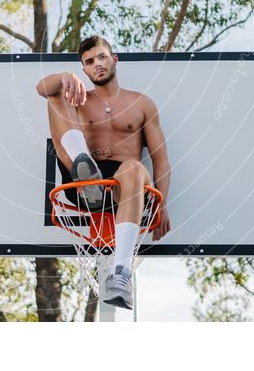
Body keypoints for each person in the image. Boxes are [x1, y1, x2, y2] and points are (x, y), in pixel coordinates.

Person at [36, 35, 171, 310]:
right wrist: (64, 77)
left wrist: (162, 204)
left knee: (134, 167)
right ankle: (84, 166)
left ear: (114, 59)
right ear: (84, 70)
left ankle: (120, 275)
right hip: (82, 187)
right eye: (88, 61)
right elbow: (41, 87)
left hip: (125, 187)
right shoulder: (78, 98)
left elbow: (161, 160)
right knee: (55, 95)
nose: (96, 64)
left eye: (102, 57)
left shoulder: (142, 103)